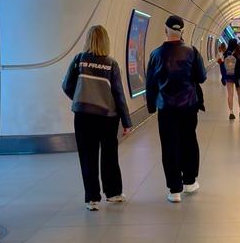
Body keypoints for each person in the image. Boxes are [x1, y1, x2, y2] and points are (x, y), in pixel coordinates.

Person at [62, 25, 132, 211]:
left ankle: (92, 199)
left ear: (88, 40)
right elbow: (118, 94)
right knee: (109, 155)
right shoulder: (111, 64)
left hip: (83, 116)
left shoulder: (79, 60)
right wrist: (126, 122)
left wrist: (80, 98)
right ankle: (113, 193)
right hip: (107, 118)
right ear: (105, 41)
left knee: (88, 156)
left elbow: (66, 85)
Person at [146, 14, 206, 203]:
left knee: (170, 145)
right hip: (189, 105)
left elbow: (150, 84)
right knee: (189, 140)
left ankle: (174, 189)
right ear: (182, 32)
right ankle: (189, 181)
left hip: (166, 107)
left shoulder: (156, 54)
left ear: (165, 30)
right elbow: (202, 77)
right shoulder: (192, 51)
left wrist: (151, 106)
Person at [221, 38, 240, 120]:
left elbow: (223, 66)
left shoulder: (226, 53)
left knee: (230, 94)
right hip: (238, 76)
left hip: (229, 76)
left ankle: (231, 112)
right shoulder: (238, 53)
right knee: (239, 94)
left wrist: (223, 77)